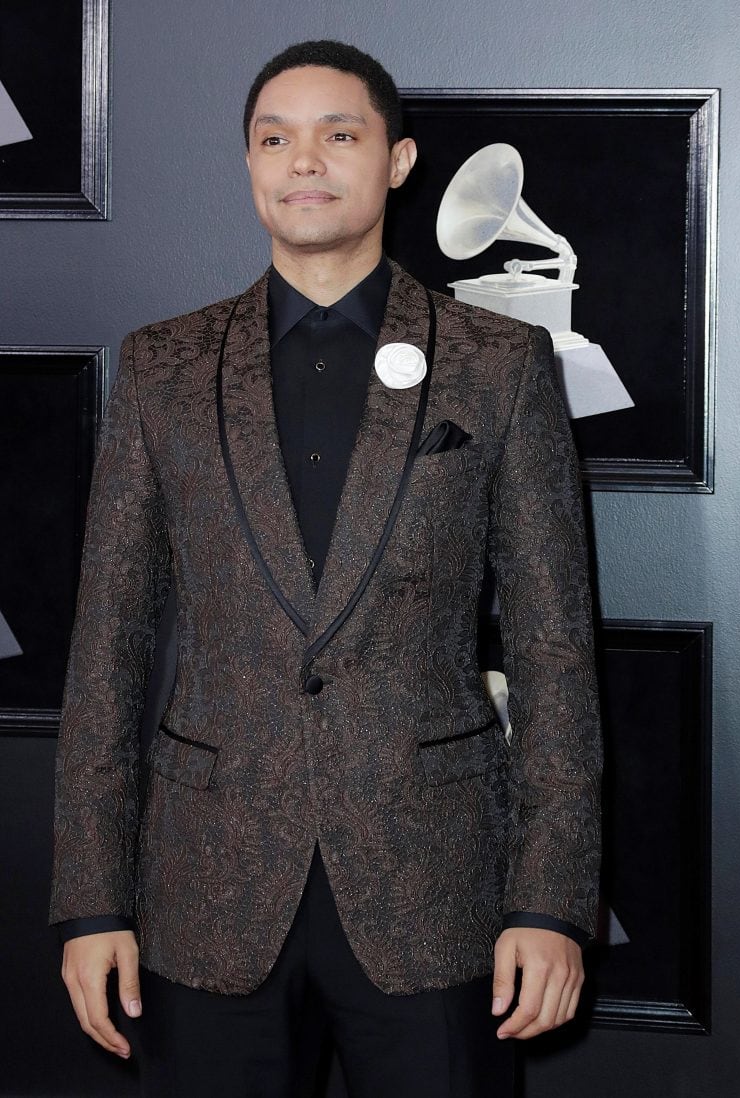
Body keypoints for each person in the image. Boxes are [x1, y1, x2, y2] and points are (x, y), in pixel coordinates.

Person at [49, 39, 603, 1097]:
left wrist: (551, 900)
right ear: (250, 164)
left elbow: (554, 650)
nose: (305, 161)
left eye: (337, 135)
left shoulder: (499, 364)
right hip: (205, 892)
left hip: (437, 895)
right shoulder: (162, 366)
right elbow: (108, 647)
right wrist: (90, 901)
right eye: (275, 138)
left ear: (395, 161)